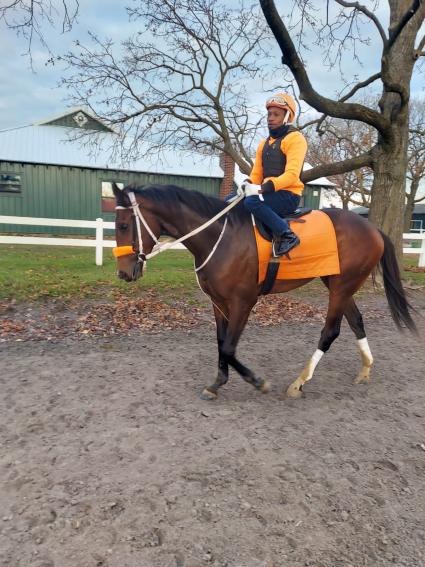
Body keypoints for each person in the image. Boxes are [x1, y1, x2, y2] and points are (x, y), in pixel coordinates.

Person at [243, 92, 308, 256]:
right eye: (269, 114)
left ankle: (287, 235)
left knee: (251, 202)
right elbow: (256, 174)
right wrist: (246, 184)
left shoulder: (295, 139)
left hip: (288, 195)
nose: (270, 118)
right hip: (267, 191)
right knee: (230, 200)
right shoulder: (263, 144)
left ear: (287, 117)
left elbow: (292, 175)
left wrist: (261, 189)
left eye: (276, 114)